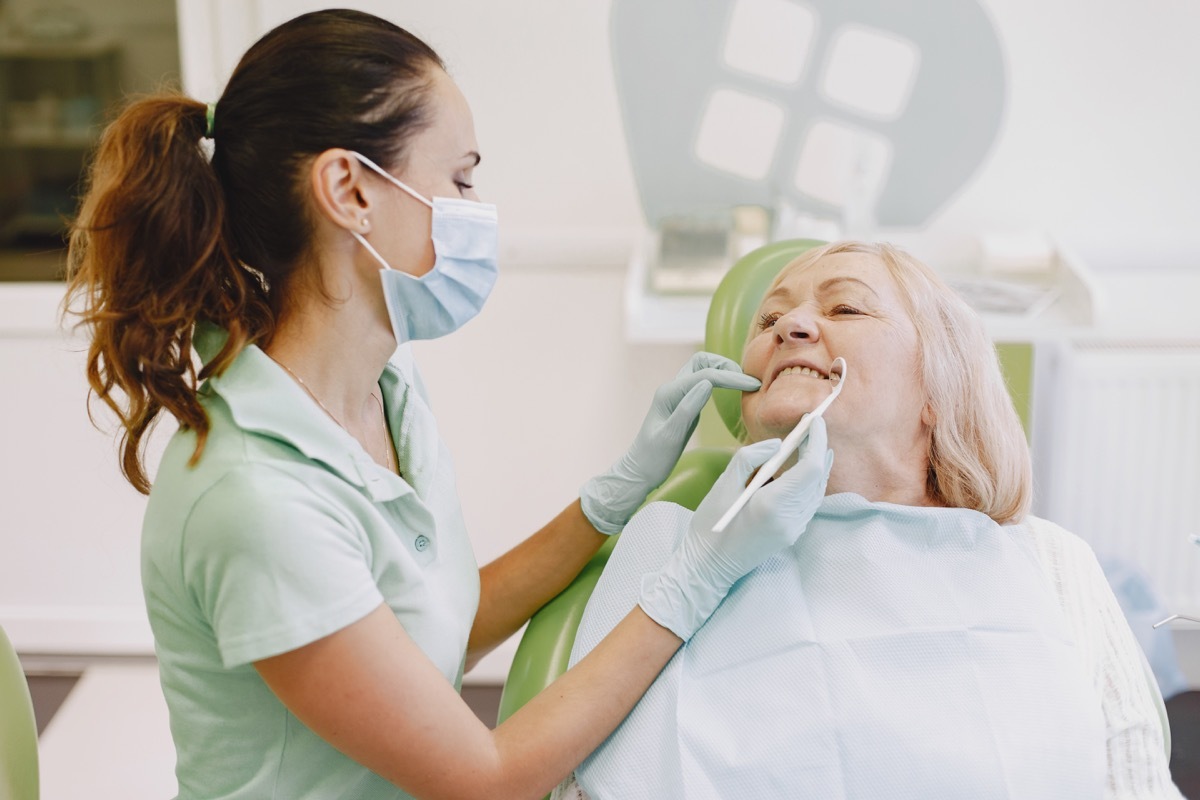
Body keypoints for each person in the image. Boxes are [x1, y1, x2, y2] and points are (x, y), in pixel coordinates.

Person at [63, 9, 836, 800]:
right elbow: (484, 779)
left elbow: (431, 638)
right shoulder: (256, 499)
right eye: (460, 178)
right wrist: (697, 577)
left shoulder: (385, 396)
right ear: (350, 190)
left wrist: (613, 499)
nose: (477, 207)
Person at [559, 241, 1183, 799]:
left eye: (846, 309)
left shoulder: (1049, 561)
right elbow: (574, 779)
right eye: (770, 319)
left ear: (941, 389)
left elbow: (1135, 781)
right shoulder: (672, 546)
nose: (789, 327)